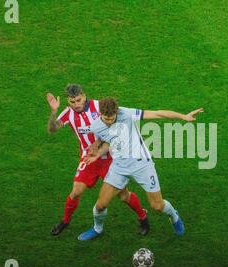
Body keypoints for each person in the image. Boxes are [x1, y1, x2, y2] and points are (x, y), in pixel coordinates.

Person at [77, 97, 203, 240]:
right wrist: (98, 153)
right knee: (100, 205)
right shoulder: (96, 126)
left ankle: (174, 216)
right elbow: (109, 140)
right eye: (107, 119)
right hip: (119, 166)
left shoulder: (127, 113)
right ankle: (97, 229)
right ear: (100, 114)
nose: (110, 122)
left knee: (157, 205)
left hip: (141, 164)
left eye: (112, 119)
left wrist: (183, 117)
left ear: (117, 112)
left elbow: (157, 114)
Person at [46, 84, 150, 236]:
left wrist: (99, 144)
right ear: (68, 100)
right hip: (88, 158)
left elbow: (115, 126)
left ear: (84, 95)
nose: (76, 105)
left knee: (123, 195)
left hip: (110, 158)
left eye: (79, 100)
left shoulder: (99, 106)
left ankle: (143, 217)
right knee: (75, 192)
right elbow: (52, 129)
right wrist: (54, 111)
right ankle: (65, 221)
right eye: (72, 102)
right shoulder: (68, 113)